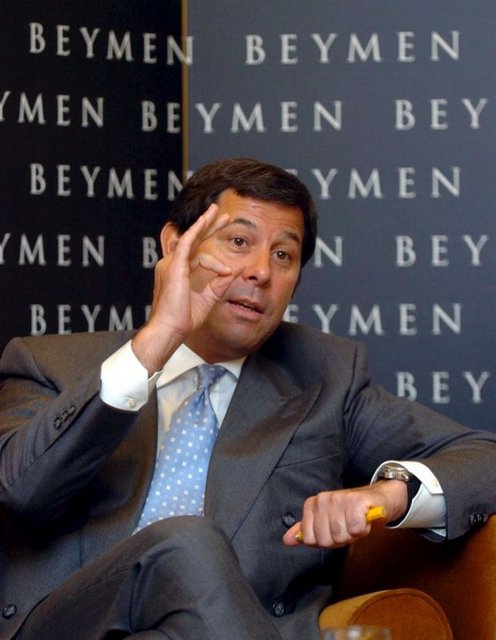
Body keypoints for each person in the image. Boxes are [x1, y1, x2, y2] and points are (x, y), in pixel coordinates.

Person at [0, 157, 495, 640]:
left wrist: (384, 494)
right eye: (239, 242)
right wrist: (158, 339)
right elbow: (23, 492)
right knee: (185, 538)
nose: (260, 272)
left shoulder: (324, 377)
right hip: (73, 624)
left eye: (283, 256)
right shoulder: (50, 363)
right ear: (175, 245)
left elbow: (483, 457)